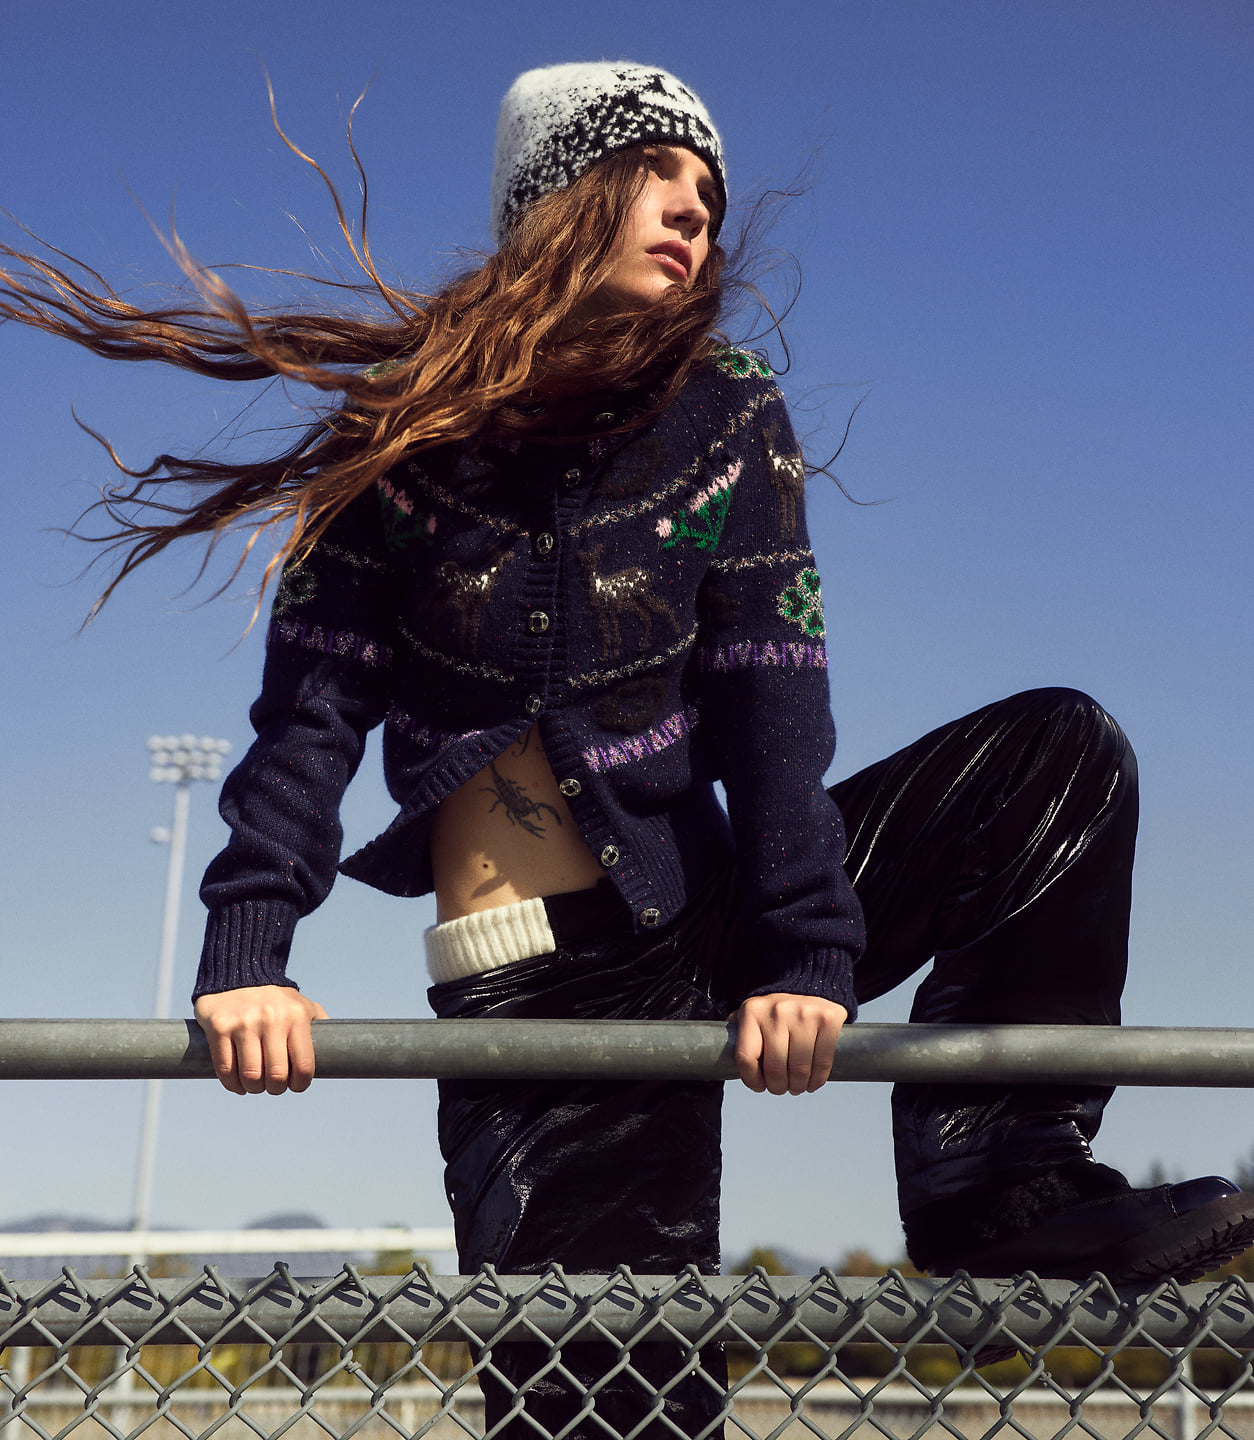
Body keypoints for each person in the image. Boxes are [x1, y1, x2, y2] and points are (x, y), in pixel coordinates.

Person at [6, 59, 1253, 1429]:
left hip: (704, 919)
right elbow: (309, 717)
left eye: (708, 194)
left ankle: (1001, 1194)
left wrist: (805, 955)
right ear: (558, 196)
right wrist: (248, 950)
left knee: (1053, 757)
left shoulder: (727, 415)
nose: (692, 211)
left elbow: (777, 697)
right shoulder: (400, 434)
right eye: (657, 175)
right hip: (539, 996)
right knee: (610, 1409)